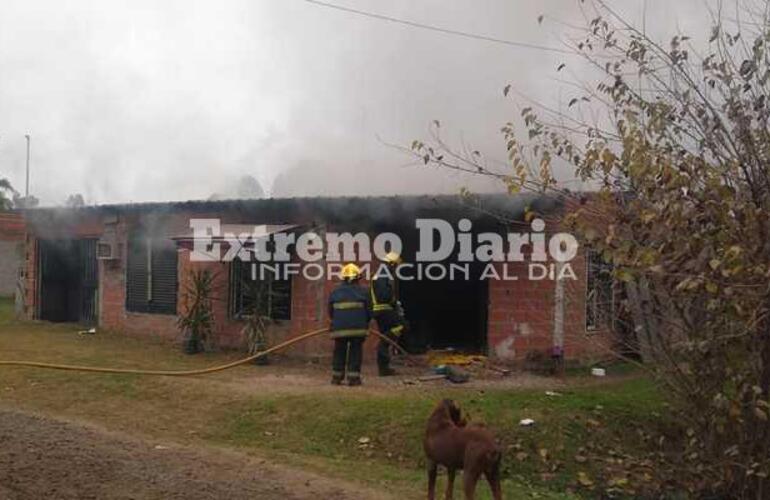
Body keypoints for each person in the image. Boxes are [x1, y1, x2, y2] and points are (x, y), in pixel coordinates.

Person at [328, 263, 371, 386]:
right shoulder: (364, 292)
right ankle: (353, 379)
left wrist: (336, 322)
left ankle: (336, 378)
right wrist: (365, 322)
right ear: (358, 278)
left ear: (343, 278)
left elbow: (330, 311)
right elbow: (370, 311)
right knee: (355, 352)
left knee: (339, 351)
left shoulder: (335, 292)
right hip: (358, 329)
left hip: (339, 329)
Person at [370, 252, 407, 376]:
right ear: (391, 263)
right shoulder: (383, 273)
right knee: (401, 326)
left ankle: (384, 368)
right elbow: (383, 295)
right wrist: (393, 302)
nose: (396, 268)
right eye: (395, 265)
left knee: (386, 337)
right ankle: (383, 353)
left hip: (383, 309)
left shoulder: (384, 272)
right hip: (383, 309)